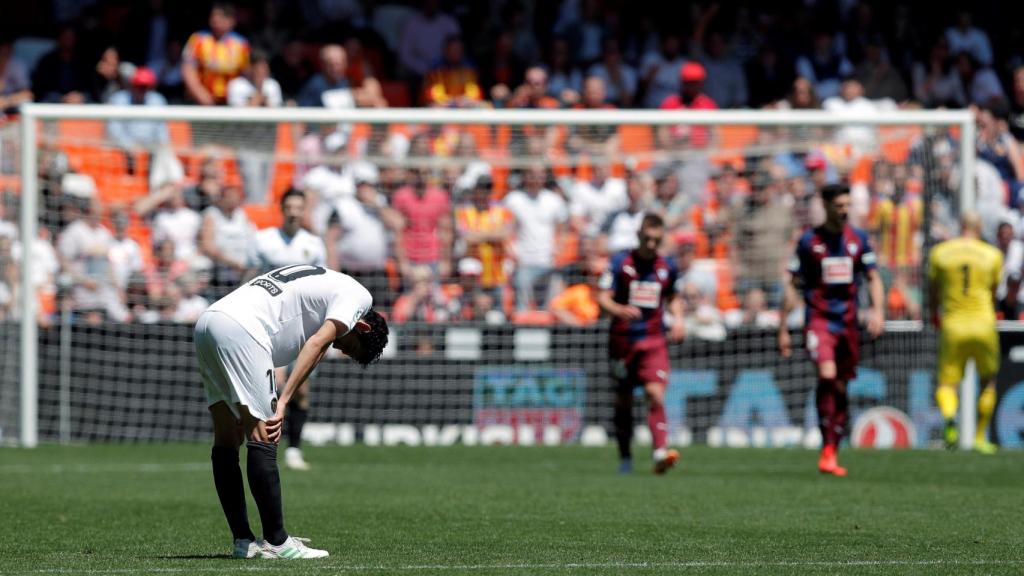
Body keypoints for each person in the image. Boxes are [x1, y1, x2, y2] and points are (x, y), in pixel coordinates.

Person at [195, 264, 388, 558]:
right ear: (362, 326)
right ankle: (278, 543)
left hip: (209, 322)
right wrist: (283, 402)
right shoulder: (359, 298)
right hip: (243, 329)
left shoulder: (333, 286)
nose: (342, 351)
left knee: (227, 436)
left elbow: (318, 346)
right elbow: (316, 342)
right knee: (264, 436)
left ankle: (243, 542)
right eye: (350, 347)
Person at [778, 184, 884, 477]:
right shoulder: (808, 241)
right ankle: (826, 448)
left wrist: (878, 311)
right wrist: (783, 327)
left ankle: (833, 448)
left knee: (840, 386)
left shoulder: (858, 239)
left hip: (848, 322)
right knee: (826, 375)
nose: (845, 210)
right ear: (825, 206)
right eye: (839, 205)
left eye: (847, 205)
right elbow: (791, 284)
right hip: (819, 320)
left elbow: (874, 278)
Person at [598, 213, 686, 475]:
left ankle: (660, 451)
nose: (650, 245)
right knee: (623, 401)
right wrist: (618, 309)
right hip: (623, 341)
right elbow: (602, 297)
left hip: (654, 339)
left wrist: (679, 320)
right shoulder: (619, 262)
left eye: (656, 241)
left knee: (655, 393)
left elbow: (673, 297)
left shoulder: (667, 266)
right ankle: (625, 456)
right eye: (647, 239)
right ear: (638, 235)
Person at [249, 189, 327, 470]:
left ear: (304, 210)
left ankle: (294, 449)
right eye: (289, 206)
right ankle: (266, 445)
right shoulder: (263, 240)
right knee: (273, 385)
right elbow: (250, 277)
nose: (294, 211)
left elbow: (322, 284)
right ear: (282, 209)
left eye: (298, 207)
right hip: (269, 323)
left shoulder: (314, 244)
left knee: (302, 389)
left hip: (303, 325)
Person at [927, 213, 1002, 454]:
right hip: (983, 324)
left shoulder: (941, 253)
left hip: (953, 324)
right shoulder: (992, 255)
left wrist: (933, 314)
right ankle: (980, 437)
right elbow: (993, 292)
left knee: (947, 383)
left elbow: (933, 291)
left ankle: (950, 418)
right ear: (979, 227)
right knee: (988, 381)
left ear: (961, 226)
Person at [181, 3, 250, 105]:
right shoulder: (198, 40)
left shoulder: (241, 44)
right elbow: (188, 69)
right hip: (201, 102)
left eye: (221, 16)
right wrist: (202, 96)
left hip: (232, 103)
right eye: (213, 15)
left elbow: (247, 73)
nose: (215, 20)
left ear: (231, 21)